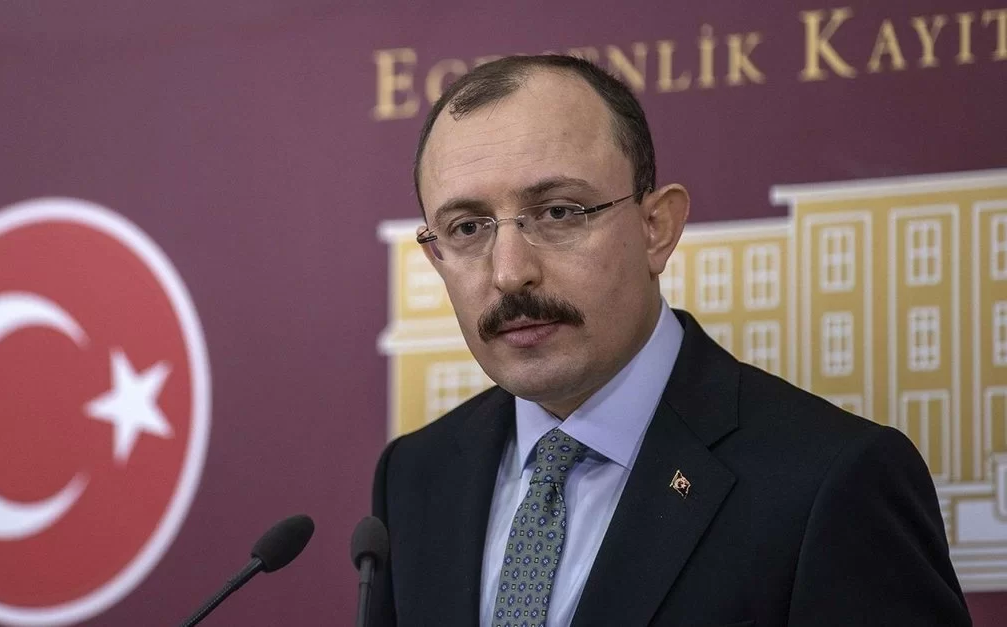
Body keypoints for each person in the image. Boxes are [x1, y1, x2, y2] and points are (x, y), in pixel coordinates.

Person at [369, 54, 970, 627]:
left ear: (657, 228)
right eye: (467, 227)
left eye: (558, 213)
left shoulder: (831, 481)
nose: (508, 272)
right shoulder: (414, 475)